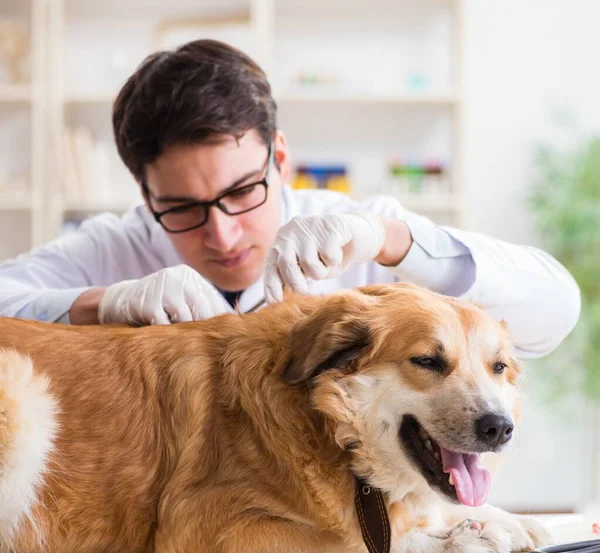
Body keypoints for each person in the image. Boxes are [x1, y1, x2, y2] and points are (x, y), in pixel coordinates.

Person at [0, 39, 580, 358]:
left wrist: (391, 241)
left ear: (280, 158)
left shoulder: (358, 233)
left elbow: (553, 312)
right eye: (181, 207)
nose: (221, 235)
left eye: (242, 191)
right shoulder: (117, 248)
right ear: (144, 193)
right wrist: (99, 306)